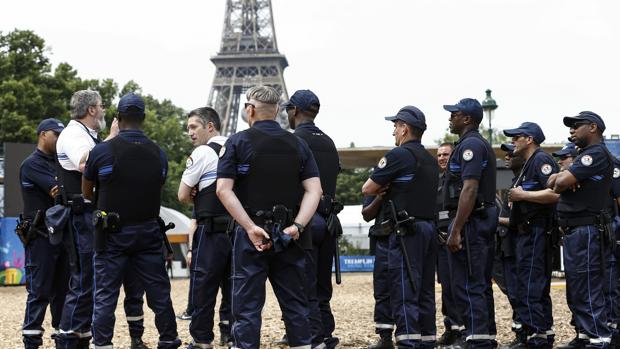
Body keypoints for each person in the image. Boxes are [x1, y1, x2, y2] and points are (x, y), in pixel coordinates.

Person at [216, 85, 322, 349]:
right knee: (296, 306)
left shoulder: (237, 142)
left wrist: (250, 226)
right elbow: (314, 190)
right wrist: (297, 225)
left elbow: (223, 189)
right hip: (289, 234)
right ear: (277, 111)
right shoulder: (298, 143)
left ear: (250, 110)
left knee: (247, 309)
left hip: (252, 231)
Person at [82, 93, 181, 349]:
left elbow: (87, 192)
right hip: (148, 232)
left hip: (111, 234)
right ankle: (168, 339)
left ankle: (102, 343)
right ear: (144, 118)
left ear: (118, 117)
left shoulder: (102, 152)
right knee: (159, 293)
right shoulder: (158, 154)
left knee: (105, 294)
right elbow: (157, 184)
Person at [362, 105, 439, 349]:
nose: (394, 132)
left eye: (395, 126)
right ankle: (427, 340)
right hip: (428, 228)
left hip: (406, 232)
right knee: (424, 289)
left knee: (404, 287)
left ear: (405, 129)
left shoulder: (398, 155)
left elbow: (367, 188)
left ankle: (407, 342)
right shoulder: (429, 159)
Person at [548, 111, 615, 349]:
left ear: (593, 127)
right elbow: (553, 182)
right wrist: (564, 176)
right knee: (576, 287)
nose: (571, 130)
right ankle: (586, 335)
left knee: (587, 286)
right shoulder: (582, 155)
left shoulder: (595, 154)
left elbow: (559, 184)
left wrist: (565, 177)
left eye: (577, 126)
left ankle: (600, 338)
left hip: (586, 228)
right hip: (575, 230)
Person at [284, 89, 341, 349]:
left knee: (302, 284)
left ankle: (313, 336)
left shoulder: (293, 140)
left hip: (304, 219)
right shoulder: (328, 141)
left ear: (295, 111)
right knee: (321, 284)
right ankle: (326, 332)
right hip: (329, 220)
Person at [442, 98, 498, 349]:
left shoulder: (471, 145)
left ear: (467, 119)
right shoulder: (470, 143)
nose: (450, 118)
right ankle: (484, 336)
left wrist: (456, 230)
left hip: (472, 222)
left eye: (454, 114)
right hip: (475, 220)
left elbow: (470, 188)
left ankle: (476, 339)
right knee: (478, 283)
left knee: (468, 282)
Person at [178, 107, 232, 348]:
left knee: (203, 288)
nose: (190, 132)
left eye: (193, 127)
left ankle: (202, 339)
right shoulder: (237, 147)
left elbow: (182, 195)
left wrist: (197, 194)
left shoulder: (202, 152)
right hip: (237, 230)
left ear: (210, 126)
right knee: (235, 286)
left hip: (210, 231)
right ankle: (231, 335)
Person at [502, 122, 559, 348]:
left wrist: (523, 195)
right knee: (528, 284)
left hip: (536, 231)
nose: (513, 141)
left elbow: (555, 194)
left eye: (517, 137)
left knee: (531, 286)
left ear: (529, 139)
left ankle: (537, 336)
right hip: (526, 232)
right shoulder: (528, 164)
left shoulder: (541, 160)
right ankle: (540, 333)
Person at [19, 119, 69, 349]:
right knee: (39, 292)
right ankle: (31, 341)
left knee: (63, 291)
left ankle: (62, 339)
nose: (60, 138)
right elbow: (59, 192)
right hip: (40, 237)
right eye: (56, 134)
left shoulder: (59, 162)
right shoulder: (32, 164)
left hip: (61, 236)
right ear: (42, 135)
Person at [495, 144, 526, 348]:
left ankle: (525, 334)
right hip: (506, 244)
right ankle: (520, 332)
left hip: (519, 244)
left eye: (511, 153)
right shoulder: (510, 178)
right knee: (512, 291)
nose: (507, 156)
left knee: (520, 291)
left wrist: (496, 221)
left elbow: (517, 219)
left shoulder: (523, 181)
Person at [435, 142, 465, 348]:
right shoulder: (436, 182)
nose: (442, 158)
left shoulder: (460, 179)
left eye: (446, 154)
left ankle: (464, 329)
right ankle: (451, 328)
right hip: (439, 241)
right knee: (446, 287)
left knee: (459, 286)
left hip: (457, 239)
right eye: (439, 155)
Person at [363, 189, 393, 349]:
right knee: (382, 291)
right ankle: (385, 337)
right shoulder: (376, 182)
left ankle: (411, 337)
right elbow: (366, 215)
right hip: (384, 239)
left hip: (409, 237)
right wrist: (380, 196)